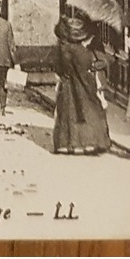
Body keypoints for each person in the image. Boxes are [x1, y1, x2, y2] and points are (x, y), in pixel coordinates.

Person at [52, 16, 111, 155]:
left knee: (68, 113)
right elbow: (87, 67)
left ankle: (67, 144)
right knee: (89, 112)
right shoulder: (81, 51)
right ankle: (88, 143)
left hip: (67, 86)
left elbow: (58, 68)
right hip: (83, 85)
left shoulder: (62, 48)